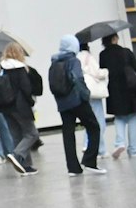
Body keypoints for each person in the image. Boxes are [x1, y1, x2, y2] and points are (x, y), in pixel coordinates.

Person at [49, 35, 105, 176]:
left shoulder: (54, 62)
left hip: (62, 103)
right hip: (77, 100)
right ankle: (89, 161)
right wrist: (85, 94)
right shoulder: (73, 60)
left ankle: (73, 168)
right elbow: (77, 78)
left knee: (68, 133)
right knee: (94, 127)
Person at [0, 44, 42, 175]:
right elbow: (26, 88)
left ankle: (25, 166)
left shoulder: (0, 69)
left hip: (5, 107)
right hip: (20, 107)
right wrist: (31, 102)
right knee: (32, 134)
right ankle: (17, 155)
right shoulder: (20, 68)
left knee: (17, 136)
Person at [99, 35, 136, 159]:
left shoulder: (103, 55)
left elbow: (103, 73)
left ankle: (119, 143)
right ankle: (134, 149)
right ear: (115, 38)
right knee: (133, 118)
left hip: (114, 91)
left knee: (119, 118)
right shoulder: (126, 52)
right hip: (130, 90)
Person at [77, 39, 110, 148]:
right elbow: (97, 73)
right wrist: (105, 71)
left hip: (83, 91)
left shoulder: (75, 57)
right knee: (99, 121)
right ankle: (94, 147)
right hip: (93, 92)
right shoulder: (88, 57)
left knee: (90, 121)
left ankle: (90, 145)